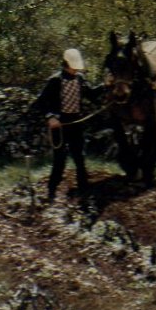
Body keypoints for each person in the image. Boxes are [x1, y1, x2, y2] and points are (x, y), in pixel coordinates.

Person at [32, 48, 96, 202]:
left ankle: (84, 189)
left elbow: (92, 94)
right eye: (73, 66)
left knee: (79, 157)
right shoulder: (55, 80)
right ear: (66, 64)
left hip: (76, 123)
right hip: (59, 126)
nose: (75, 69)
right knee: (60, 160)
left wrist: (107, 86)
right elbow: (39, 103)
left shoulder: (80, 79)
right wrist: (50, 117)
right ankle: (52, 191)